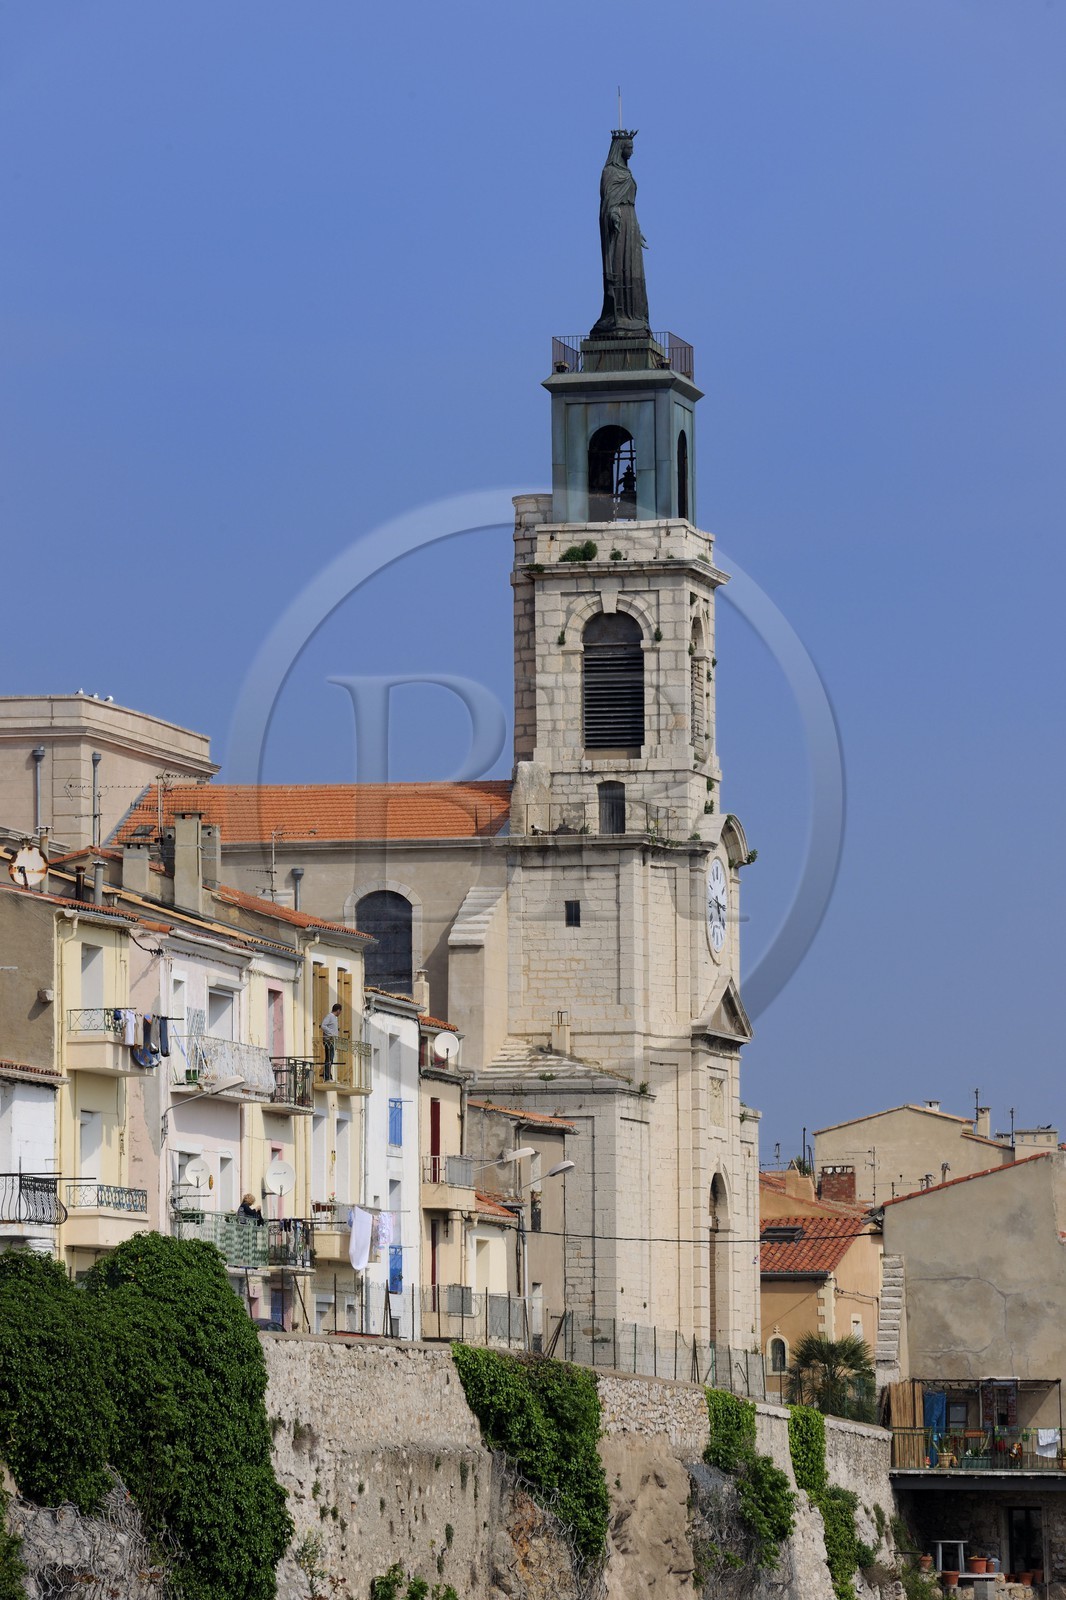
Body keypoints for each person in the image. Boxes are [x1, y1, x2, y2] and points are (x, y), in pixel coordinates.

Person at [591, 130, 650, 338]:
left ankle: (635, 315)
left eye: (632, 148)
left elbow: (630, 200)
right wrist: (613, 215)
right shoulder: (609, 172)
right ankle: (618, 314)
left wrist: (637, 229)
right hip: (619, 224)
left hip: (630, 222)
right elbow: (608, 200)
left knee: (633, 268)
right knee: (619, 266)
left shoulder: (627, 172)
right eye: (629, 148)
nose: (632, 152)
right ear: (620, 149)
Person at [320, 1002, 342, 1081]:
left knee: (331, 1058)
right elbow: (323, 1025)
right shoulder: (329, 1016)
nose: (340, 1013)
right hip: (328, 1040)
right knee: (329, 1058)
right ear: (338, 1010)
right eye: (340, 1011)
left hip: (332, 1041)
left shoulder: (334, 1018)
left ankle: (328, 1074)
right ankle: (327, 1076)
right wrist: (331, 1033)